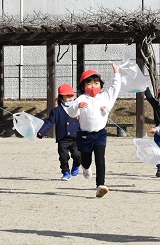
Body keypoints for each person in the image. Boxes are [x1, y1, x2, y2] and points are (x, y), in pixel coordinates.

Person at [63, 63, 121, 198]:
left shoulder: (106, 97)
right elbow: (71, 113)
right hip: (84, 135)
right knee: (87, 160)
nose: (93, 86)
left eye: (96, 83)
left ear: (100, 85)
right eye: (89, 84)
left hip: (100, 134)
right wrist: (77, 105)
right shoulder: (81, 98)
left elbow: (115, 88)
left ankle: (100, 185)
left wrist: (116, 72)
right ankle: (85, 166)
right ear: (83, 86)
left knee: (100, 159)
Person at [37, 83, 81, 181]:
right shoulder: (56, 111)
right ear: (61, 97)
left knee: (78, 155)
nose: (70, 98)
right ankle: (65, 172)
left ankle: (77, 164)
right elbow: (49, 122)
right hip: (63, 139)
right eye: (67, 96)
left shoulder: (78, 108)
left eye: (71, 96)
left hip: (76, 138)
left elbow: (85, 121)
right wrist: (42, 132)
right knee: (63, 157)